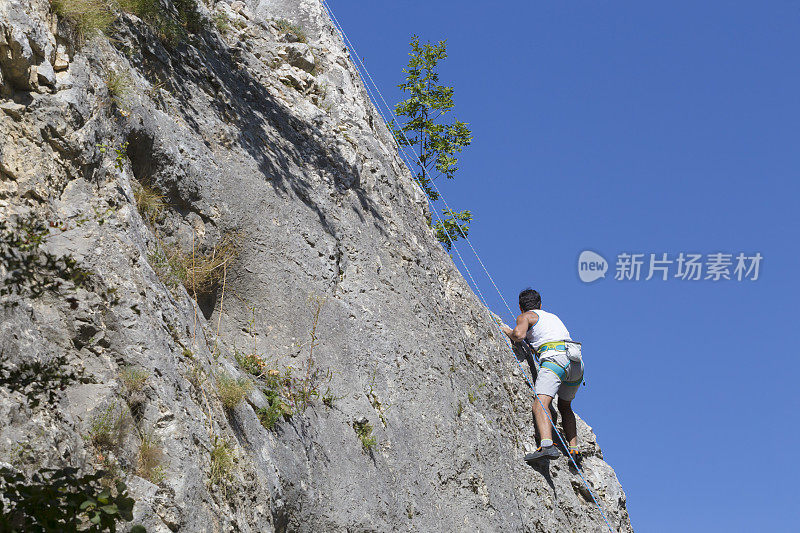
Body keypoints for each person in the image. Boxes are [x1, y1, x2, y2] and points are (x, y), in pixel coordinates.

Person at [501, 288, 584, 465]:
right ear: (540, 304)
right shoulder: (552, 317)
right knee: (565, 406)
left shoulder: (527, 316)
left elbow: (518, 335)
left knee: (540, 404)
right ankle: (574, 449)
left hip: (555, 359)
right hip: (576, 362)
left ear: (520, 307)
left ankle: (547, 445)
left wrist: (507, 331)